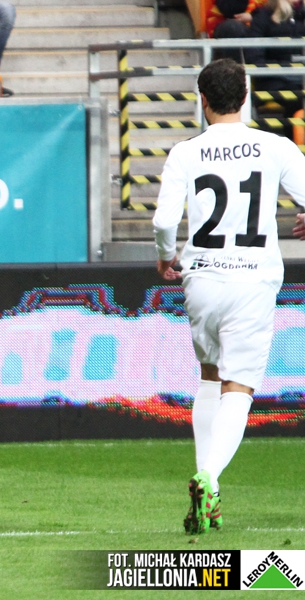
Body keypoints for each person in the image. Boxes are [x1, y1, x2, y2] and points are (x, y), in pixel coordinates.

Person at [152, 58, 305, 535]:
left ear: (202, 100)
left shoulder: (185, 151)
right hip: (253, 281)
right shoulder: (274, 146)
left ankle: (208, 490)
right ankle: (209, 479)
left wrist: (165, 256)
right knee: (238, 387)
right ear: (246, 96)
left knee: (209, 376)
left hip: (201, 278)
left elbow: (163, 221)